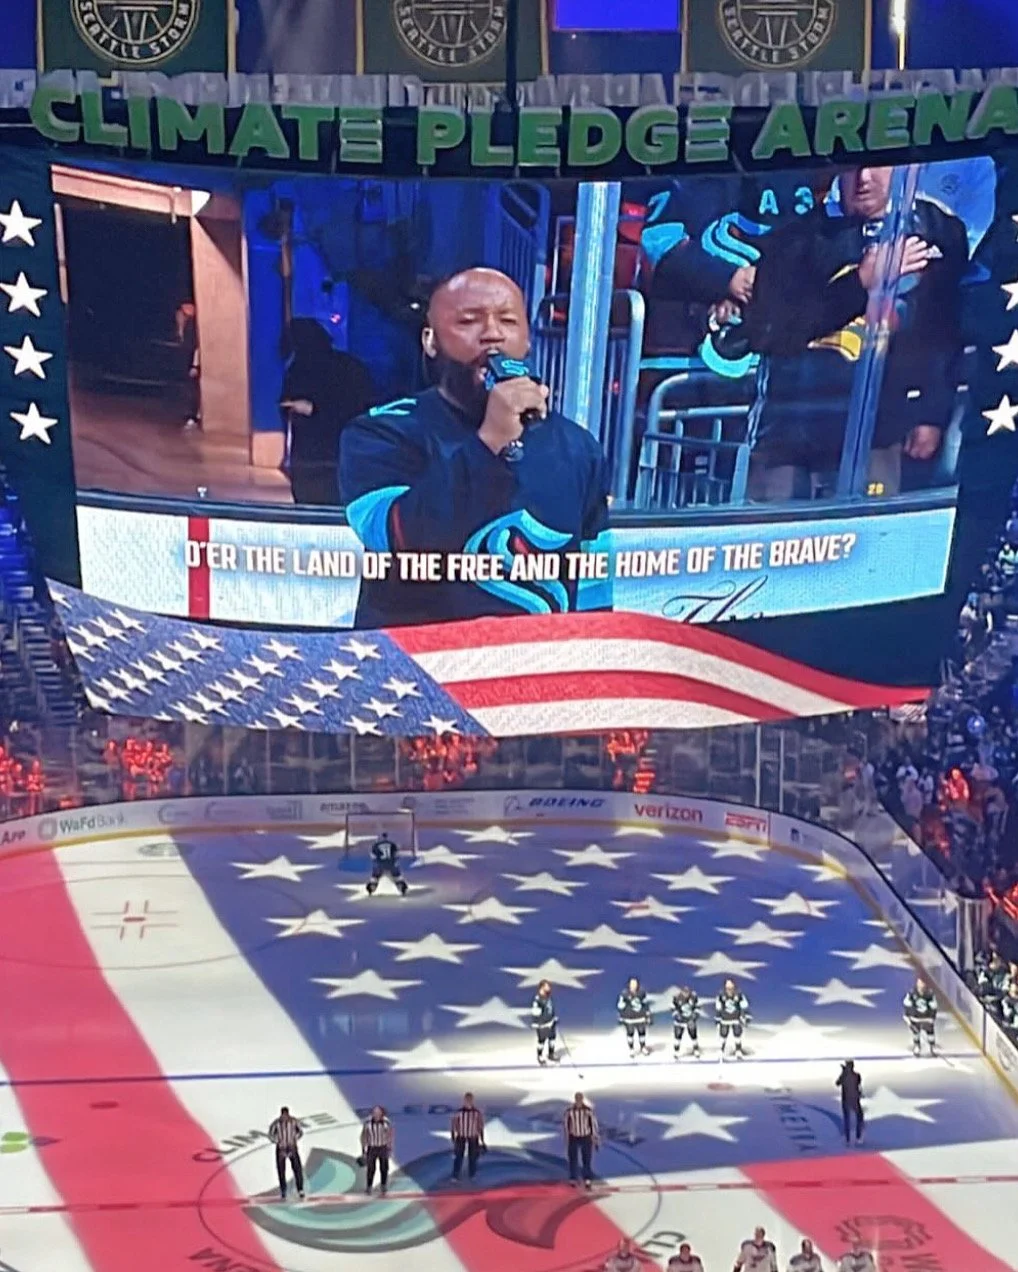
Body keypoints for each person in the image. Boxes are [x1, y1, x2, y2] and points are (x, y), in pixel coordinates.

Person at [339, 267, 611, 628]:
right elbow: (398, 542)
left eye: (508, 321)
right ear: (430, 341)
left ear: (528, 341)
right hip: (423, 667)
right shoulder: (380, 433)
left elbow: (592, 582)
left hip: (535, 667)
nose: (492, 335)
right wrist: (489, 443)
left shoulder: (577, 448)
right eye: (469, 321)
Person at [734, 164, 968, 501]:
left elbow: (941, 333)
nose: (864, 179)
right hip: (792, 435)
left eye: (879, 166)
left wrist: (931, 414)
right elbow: (771, 332)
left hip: (882, 435)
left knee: (875, 543)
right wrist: (860, 283)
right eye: (853, 168)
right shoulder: (797, 237)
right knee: (777, 539)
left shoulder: (938, 231)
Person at [279, 318, 374, 505]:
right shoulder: (351, 366)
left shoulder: (301, 369)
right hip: (340, 453)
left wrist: (312, 409)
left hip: (316, 456)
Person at [563, 1091, 599, 1190]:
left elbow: (593, 1124)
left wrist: (595, 1137)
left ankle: (587, 1179)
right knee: (573, 1159)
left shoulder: (588, 1110)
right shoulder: (569, 1111)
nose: (578, 1100)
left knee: (586, 1159)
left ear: (582, 1099)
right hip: (574, 1137)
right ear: (575, 1099)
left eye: (580, 1098)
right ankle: (573, 1178)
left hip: (586, 1137)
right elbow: (566, 1125)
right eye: (577, 1098)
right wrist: (567, 1139)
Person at [268, 1105, 304, 1201]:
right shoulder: (276, 1123)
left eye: (286, 1115)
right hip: (281, 1149)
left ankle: (300, 1189)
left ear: (288, 1114)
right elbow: (271, 1134)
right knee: (281, 1170)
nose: (284, 1117)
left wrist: (294, 1139)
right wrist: (278, 1141)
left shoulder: (294, 1121)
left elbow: (300, 1132)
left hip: (292, 1147)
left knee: (297, 1168)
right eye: (283, 1115)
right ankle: (283, 1190)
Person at [450, 1092, 485, 1182]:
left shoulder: (477, 1113)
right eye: (466, 1100)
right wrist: (453, 1136)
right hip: (461, 1136)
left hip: (473, 1137)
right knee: (458, 1156)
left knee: (473, 1156)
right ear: (464, 1100)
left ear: (472, 1101)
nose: (468, 1101)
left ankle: (472, 1174)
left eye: (470, 1099)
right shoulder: (459, 1112)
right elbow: (454, 1124)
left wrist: (482, 1140)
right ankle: (455, 1175)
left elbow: (480, 1126)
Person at [359, 1105, 394, 1194]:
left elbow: (390, 1135)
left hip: (383, 1147)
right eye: (375, 1113)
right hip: (372, 1148)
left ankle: (383, 1185)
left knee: (384, 1168)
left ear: (382, 1114)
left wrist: (389, 1148)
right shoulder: (367, 1123)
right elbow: (364, 1136)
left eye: (378, 1113)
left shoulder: (386, 1122)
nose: (376, 1115)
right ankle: (369, 1186)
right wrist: (363, 1150)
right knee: (371, 1168)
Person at [617, 977, 652, 1057]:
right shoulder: (624, 994)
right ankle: (631, 1049)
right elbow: (620, 1006)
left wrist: (648, 1015)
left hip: (640, 1017)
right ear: (629, 985)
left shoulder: (642, 993)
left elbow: (645, 1004)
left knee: (642, 1033)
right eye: (632, 984)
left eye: (635, 984)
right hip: (629, 1018)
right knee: (630, 1033)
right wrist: (622, 1012)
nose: (634, 986)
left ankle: (643, 1047)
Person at [716, 978, 751, 1059]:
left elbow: (745, 1005)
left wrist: (745, 1016)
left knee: (737, 1035)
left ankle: (738, 1050)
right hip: (725, 1019)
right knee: (723, 1035)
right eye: (728, 987)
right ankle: (721, 1050)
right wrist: (718, 1019)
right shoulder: (721, 995)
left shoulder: (739, 994)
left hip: (736, 1018)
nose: (729, 989)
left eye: (731, 987)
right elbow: (718, 1008)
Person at [366, 830, 408, 896]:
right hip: (391, 864)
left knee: (375, 876)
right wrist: (395, 862)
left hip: (380, 864)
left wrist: (376, 862)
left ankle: (371, 888)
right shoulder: (392, 844)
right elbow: (397, 854)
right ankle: (402, 887)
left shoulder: (376, 845)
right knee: (397, 876)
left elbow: (373, 856)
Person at [903, 977, 938, 1056]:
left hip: (927, 1018)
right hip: (916, 1018)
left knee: (930, 1033)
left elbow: (934, 1006)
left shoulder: (929, 994)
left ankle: (932, 1047)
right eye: (919, 983)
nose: (921, 985)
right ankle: (917, 1046)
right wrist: (907, 1016)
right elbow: (907, 1004)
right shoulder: (912, 993)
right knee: (916, 1033)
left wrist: (932, 1017)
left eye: (922, 983)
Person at [531, 978, 559, 1066]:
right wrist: (538, 1023)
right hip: (543, 1024)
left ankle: (551, 1054)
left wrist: (553, 1018)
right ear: (542, 987)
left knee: (552, 1039)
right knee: (541, 1041)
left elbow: (550, 1009)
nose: (549, 988)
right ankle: (540, 1056)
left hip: (551, 1023)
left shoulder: (548, 997)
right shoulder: (538, 999)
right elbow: (536, 1013)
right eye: (547, 986)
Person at [837, 1059, 864, 1146]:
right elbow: (859, 1085)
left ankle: (848, 1139)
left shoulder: (844, 1076)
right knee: (859, 1117)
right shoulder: (857, 1075)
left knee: (847, 1119)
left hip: (846, 1100)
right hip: (855, 1099)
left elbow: (837, 1083)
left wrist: (843, 1073)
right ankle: (858, 1137)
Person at [672, 986, 702, 1059]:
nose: (686, 994)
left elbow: (698, 1008)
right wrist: (677, 1016)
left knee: (693, 1035)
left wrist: (694, 1017)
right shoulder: (676, 998)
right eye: (684, 992)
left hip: (690, 1020)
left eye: (687, 993)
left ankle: (696, 1049)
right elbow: (673, 1008)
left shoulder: (694, 997)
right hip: (680, 1021)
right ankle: (676, 1051)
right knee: (677, 1036)